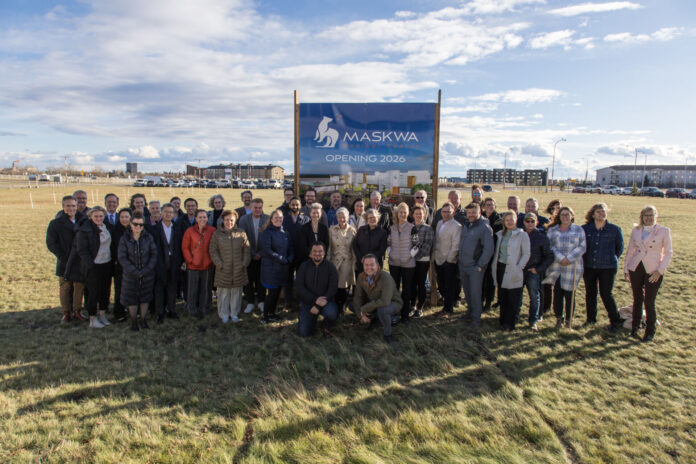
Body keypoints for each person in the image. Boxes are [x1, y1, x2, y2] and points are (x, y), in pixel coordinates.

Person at [624, 205, 672, 342]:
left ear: (656, 216)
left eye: (651, 215)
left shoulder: (663, 231)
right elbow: (630, 250)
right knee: (637, 299)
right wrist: (626, 269)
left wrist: (660, 270)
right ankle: (635, 328)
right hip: (636, 267)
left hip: (653, 269)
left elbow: (669, 253)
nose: (648, 218)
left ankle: (650, 331)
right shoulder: (636, 230)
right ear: (642, 217)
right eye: (646, 215)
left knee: (649, 301)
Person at [65, 206, 112, 328]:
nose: (98, 218)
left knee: (105, 291)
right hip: (93, 266)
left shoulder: (106, 227)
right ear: (90, 216)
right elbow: (81, 250)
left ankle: (102, 314)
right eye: (95, 216)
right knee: (93, 292)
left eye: (101, 216)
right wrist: (90, 265)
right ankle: (92, 318)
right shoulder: (84, 230)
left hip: (106, 263)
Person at [582, 203, 624, 332]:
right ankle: (591, 319)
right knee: (590, 293)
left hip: (608, 267)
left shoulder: (614, 229)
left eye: (603, 211)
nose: (601, 214)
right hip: (589, 266)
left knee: (606, 294)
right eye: (599, 212)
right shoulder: (585, 229)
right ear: (593, 214)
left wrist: (610, 258)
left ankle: (615, 320)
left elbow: (619, 248)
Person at [544, 207, 587, 328]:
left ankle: (569, 319)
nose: (565, 217)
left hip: (572, 266)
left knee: (570, 293)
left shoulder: (579, 230)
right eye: (562, 215)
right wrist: (561, 258)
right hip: (557, 266)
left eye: (567, 215)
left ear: (572, 216)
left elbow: (582, 247)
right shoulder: (553, 230)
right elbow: (550, 246)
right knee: (557, 293)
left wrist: (569, 258)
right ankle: (559, 317)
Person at [46, 195, 84, 323]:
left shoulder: (83, 220)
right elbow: (51, 243)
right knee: (65, 287)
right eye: (68, 206)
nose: (71, 208)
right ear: (63, 207)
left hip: (79, 260)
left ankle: (77, 310)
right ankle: (66, 312)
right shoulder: (55, 223)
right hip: (64, 260)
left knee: (79, 286)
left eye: (73, 206)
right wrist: (64, 257)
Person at [118, 211, 158, 331]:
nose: (138, 227)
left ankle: (143, 320)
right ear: (130, 224)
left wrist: (146, 270)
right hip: (130, 275)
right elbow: (122, 257)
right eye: (135, 224)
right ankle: (134, 321)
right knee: (132, 299)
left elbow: (154, 254)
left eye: (141, 225)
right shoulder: (124, 239)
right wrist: (135, 271)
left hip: (147, 274)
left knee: (145, 298)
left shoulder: (148, 237)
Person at [209, 210, 251, 323]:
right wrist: (219, 264)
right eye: (227, 220)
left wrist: (244, 263)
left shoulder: (241, 233)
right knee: (223, 292)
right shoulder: (217, 234)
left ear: (235, 221)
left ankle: (234, 313)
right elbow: (213, 250)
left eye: (231, 220)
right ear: (223, 220)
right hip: (223, 268)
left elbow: (246, 249)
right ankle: (224, 314)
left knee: (236, 292)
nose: (229, 222)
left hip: (238, 268)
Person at [492, 211, 530, 331]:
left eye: (511, 219)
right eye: (507, 220)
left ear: (516, 220)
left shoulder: (522, 235)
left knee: (513, 297)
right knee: (502, 296)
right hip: (501, 267)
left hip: (514, 268)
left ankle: (510, 323)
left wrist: (519, 267)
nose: (509, 222)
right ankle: (502, 321)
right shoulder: (500, 235)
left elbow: (526, 253)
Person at [458, 202, 494, 327]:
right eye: (469, 213)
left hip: (475, 267)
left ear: (479, 212)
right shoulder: (466, 225)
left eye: (474, 212)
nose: (471, 215)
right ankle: (470, 312)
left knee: (475, 293)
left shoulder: (484, 228)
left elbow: (488, 249)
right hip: (463, 265)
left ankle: (476, 319)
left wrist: (480, 265)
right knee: (467, 292)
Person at [352, 254, 402, 344]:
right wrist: (360, 315)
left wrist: (364, 309)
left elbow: (385, 301)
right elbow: (357, 297)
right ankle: (375, 320)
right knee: (352, 305)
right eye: (366, 265)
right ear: (363, 266)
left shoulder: (386, 278)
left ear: (378, 265)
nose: (369, 267)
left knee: (382, 310)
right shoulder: (361, 277)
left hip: (392, 303)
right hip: (375, 302)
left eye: (372, 265)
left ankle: (388, 335)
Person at [295, 243, 339, 337]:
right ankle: (312, 320)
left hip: (326, 302)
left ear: (324, 252)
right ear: (310, 253)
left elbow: (333, 287)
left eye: (320, 251)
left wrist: (318, 305)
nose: (317, 254)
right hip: (308, 302)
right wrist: (315, 300)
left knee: (332, 313)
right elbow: (299, 287)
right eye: (314, 251)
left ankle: (326, 325)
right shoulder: (304, 266)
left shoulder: (330, 267)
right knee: (303, 334)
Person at [260, 209, 294, 324]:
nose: (278, 220)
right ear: (271, 219)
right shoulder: (267, 232)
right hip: (271, 268)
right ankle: (265, 316)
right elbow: (267, 250)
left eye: (280, 218)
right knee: (271, 294)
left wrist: (290, 257)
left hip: (282, 268)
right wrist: (280, 258)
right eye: (276, 218)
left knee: (278, 292)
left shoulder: (286, 232)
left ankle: (273, 313)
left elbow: (291, 248)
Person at [522, 213, 554, 331]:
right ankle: (514, 317)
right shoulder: (520, 234)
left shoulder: (541, 237)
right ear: (524, 222)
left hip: (533, 271)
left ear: (537, 223)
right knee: (518, 296)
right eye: (527, 221)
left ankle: (533, 320)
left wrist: (538, 269)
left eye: (532, 221)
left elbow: (549, 256)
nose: (530, 223)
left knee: (534, 297)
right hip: (520, 270)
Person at [153, 203, 183, 323]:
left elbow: (180, 246)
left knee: (172, 287)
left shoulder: (177, 227)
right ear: (161, 213)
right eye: (166, 212)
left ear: (174, 214)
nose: (168, 214)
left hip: (174, 263)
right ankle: (159, 313)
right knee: (159, 288)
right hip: (159, 263)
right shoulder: (155, 229)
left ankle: (171, 310)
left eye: (171, 212)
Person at [182, 209, 214, 319]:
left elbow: (214, 247)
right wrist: (190, 260)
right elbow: (185, 247)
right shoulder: (189, 231)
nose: (202, 219)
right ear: (196, 219)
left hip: (208, 265)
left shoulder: (212, 230)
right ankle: (192, 309)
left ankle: (204, 308)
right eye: (200, 217)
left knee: (206, 288)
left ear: (207, 218)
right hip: (193, 266)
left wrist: (211, 260)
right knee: (193, 289)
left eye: (204, 217)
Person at [238, 199, 269, 314]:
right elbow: (242, 237)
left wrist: (260, 253)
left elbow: (268, 239)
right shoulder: (244, 219)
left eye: (260, 207)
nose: (258, 210)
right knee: (249, 280)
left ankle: (261, 301)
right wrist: (252, 253)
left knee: (261, 279)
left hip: (263, 255)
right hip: (248, 255)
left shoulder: (267, 219)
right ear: (251, 207)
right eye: (255, 207)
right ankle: (250, 302)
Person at [432, 202, 462, 316]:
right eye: (444, 212)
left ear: (453, 212)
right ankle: (445, 305)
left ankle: (448, 309)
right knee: (442, 284)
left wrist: (449, 260)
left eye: (448, 212)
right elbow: (436, 241)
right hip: (438, 259)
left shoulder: (457, 226)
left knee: (449, 286)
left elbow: (456, 245)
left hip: (449, 261)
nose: (446, 214)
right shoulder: (439, 223)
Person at [388, 202, 416, 321]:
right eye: (400, 212)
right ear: (397, 213)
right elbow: (388, 242)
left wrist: (409, 255)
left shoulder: (412, 228)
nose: (402, 214)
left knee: (407, 289)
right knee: (394, 288)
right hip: (394, 262)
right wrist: (390, 252)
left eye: (405, 212)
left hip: (408, 263)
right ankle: (395, 312)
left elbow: (417, 244)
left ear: (408, 213)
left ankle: (405, 314)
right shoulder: (392, 228)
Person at [282, 196, 310, 311]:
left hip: (301, 255)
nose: (295, 206)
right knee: (287, 280)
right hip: (287, 254)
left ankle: (300, 301)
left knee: (300, 280)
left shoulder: (306, 219)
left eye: (297, 204)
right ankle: (288, 303)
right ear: (289, 205)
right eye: (293, 204)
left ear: (300, 206)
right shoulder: (284, 220)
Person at [328, 207, 356, 313]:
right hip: (335, 260)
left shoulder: (352, 230)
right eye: (339, 217)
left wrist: (354, 263)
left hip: (347, 261)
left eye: (344, 217)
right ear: (337, 218)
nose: (342, 219)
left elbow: (353, 248)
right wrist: (328, 261)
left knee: (344, 286)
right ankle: (335, 305)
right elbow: (330, 247)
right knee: (335, 285)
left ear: (348, 218)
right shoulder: (331, 230)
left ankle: (342, 305)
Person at [409, 204, 434, 318]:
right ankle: (412, 305)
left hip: (422, 261)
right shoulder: (409, 227)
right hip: (410, 261)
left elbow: (427, 246)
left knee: (421, 284)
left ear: (424, 214)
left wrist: (415, 257)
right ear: (413, 215)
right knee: (412, 283)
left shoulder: (428, 228)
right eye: (416, 214)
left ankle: (420, 307)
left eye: (420, 213)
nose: (418, 215)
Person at [541, 199, 563, 317]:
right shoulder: (547, 223)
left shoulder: (565, 222)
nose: (557, 210)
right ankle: (546, 306)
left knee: (559, 286)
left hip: (562, 260)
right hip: (549, 257)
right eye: (554, 208)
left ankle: (558, 309)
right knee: (547, 283)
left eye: (559, 207)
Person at [110, 208, 132, 322]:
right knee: (119, 289)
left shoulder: (135, 229)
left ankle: (132, 310)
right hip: (119, 265)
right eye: (122, 217)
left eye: (126, 217)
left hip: (133, 265)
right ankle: (119, 312)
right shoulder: (115, 231)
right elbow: (112, 248)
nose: (124, 219)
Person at [481, 196, 501, 312]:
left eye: (491, 204)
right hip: (481, 252)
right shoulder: (481, 218)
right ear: (484, 207)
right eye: (487, 205)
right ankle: (480, 300)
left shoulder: (498, 219)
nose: (489, 207)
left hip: (493, 253)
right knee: (481, 279)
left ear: (495, 206)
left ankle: (488, 302)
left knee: (490, 279)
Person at [354, 208, 388, 273]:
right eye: (370, 218)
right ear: (366, 219)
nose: (372, 219)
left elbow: (382, 250)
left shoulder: (382, 232)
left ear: (378, 218)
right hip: (361, 263)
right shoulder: (361, 230)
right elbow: (355, 245)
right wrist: (361, 258)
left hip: (375, 264)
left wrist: (369, 259)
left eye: (374, 217)